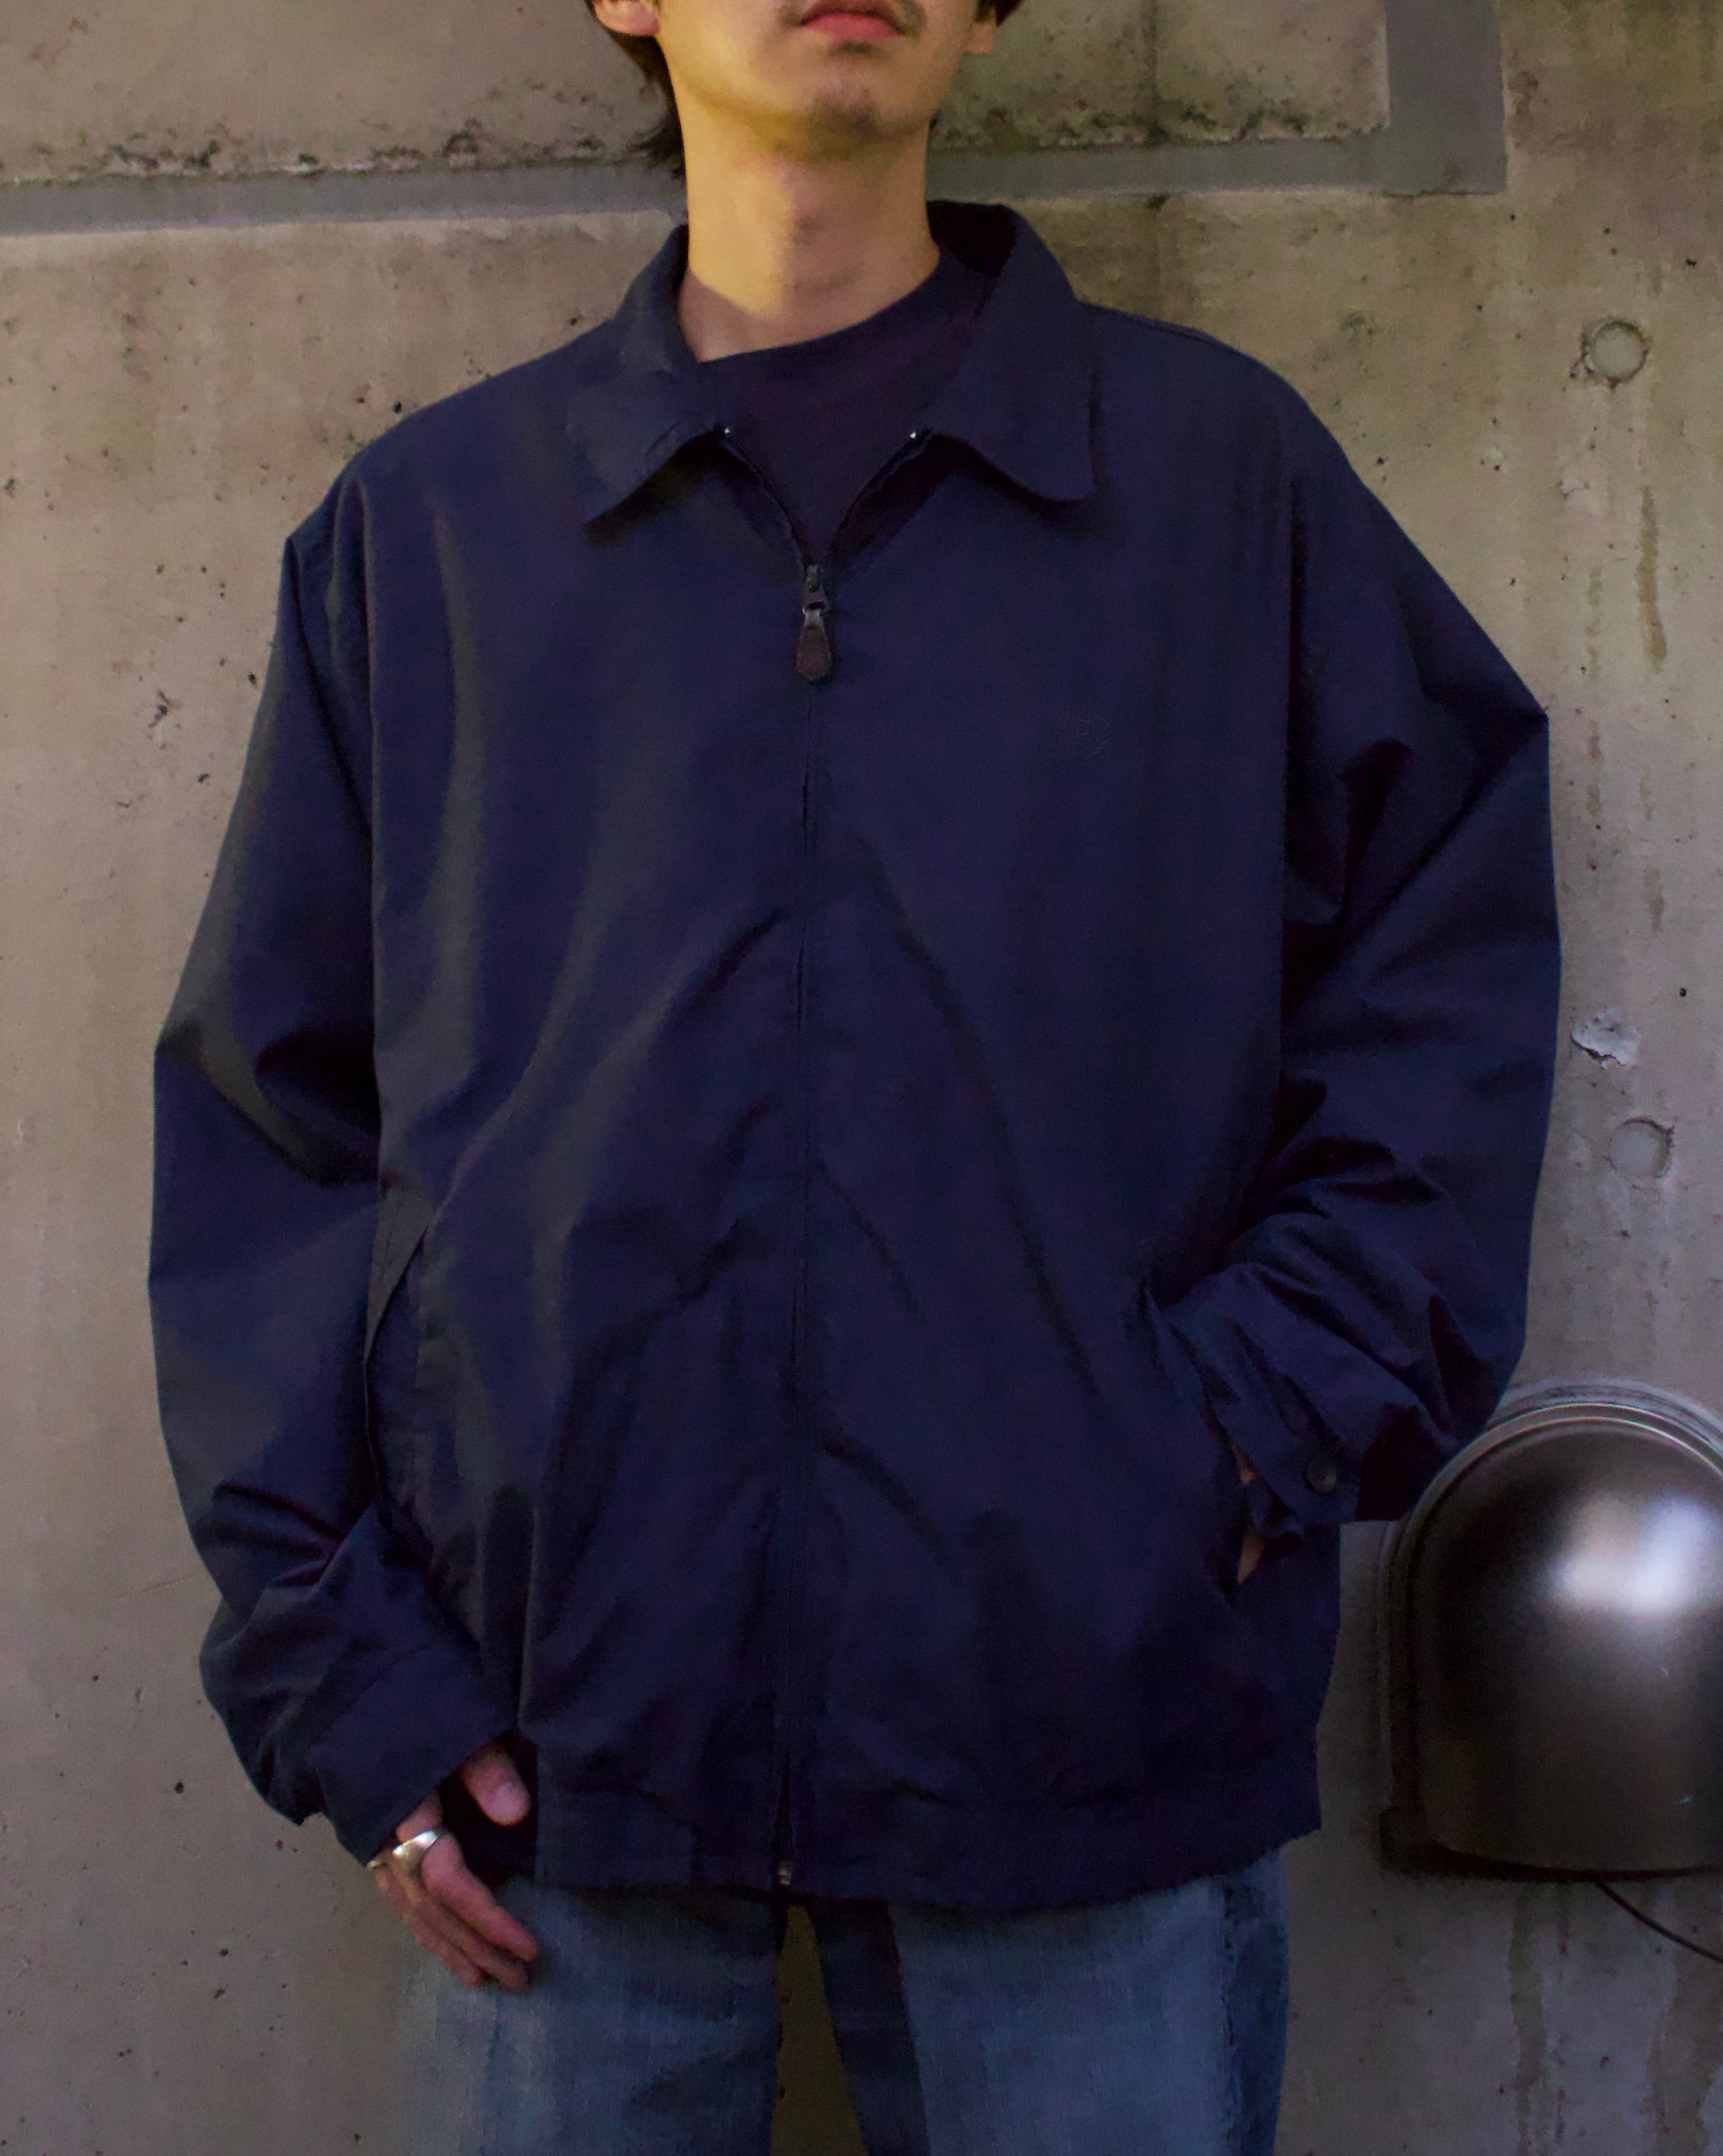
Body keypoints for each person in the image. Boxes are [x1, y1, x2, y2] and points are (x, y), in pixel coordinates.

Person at [147, 0, 1561, 2144]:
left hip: (1088, 1733)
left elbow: (1442, 968)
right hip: (558, 1768)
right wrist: (349, 1676)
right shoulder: (435, 532)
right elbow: (273, 1129)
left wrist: (1242, 1430)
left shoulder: (1214, 482)